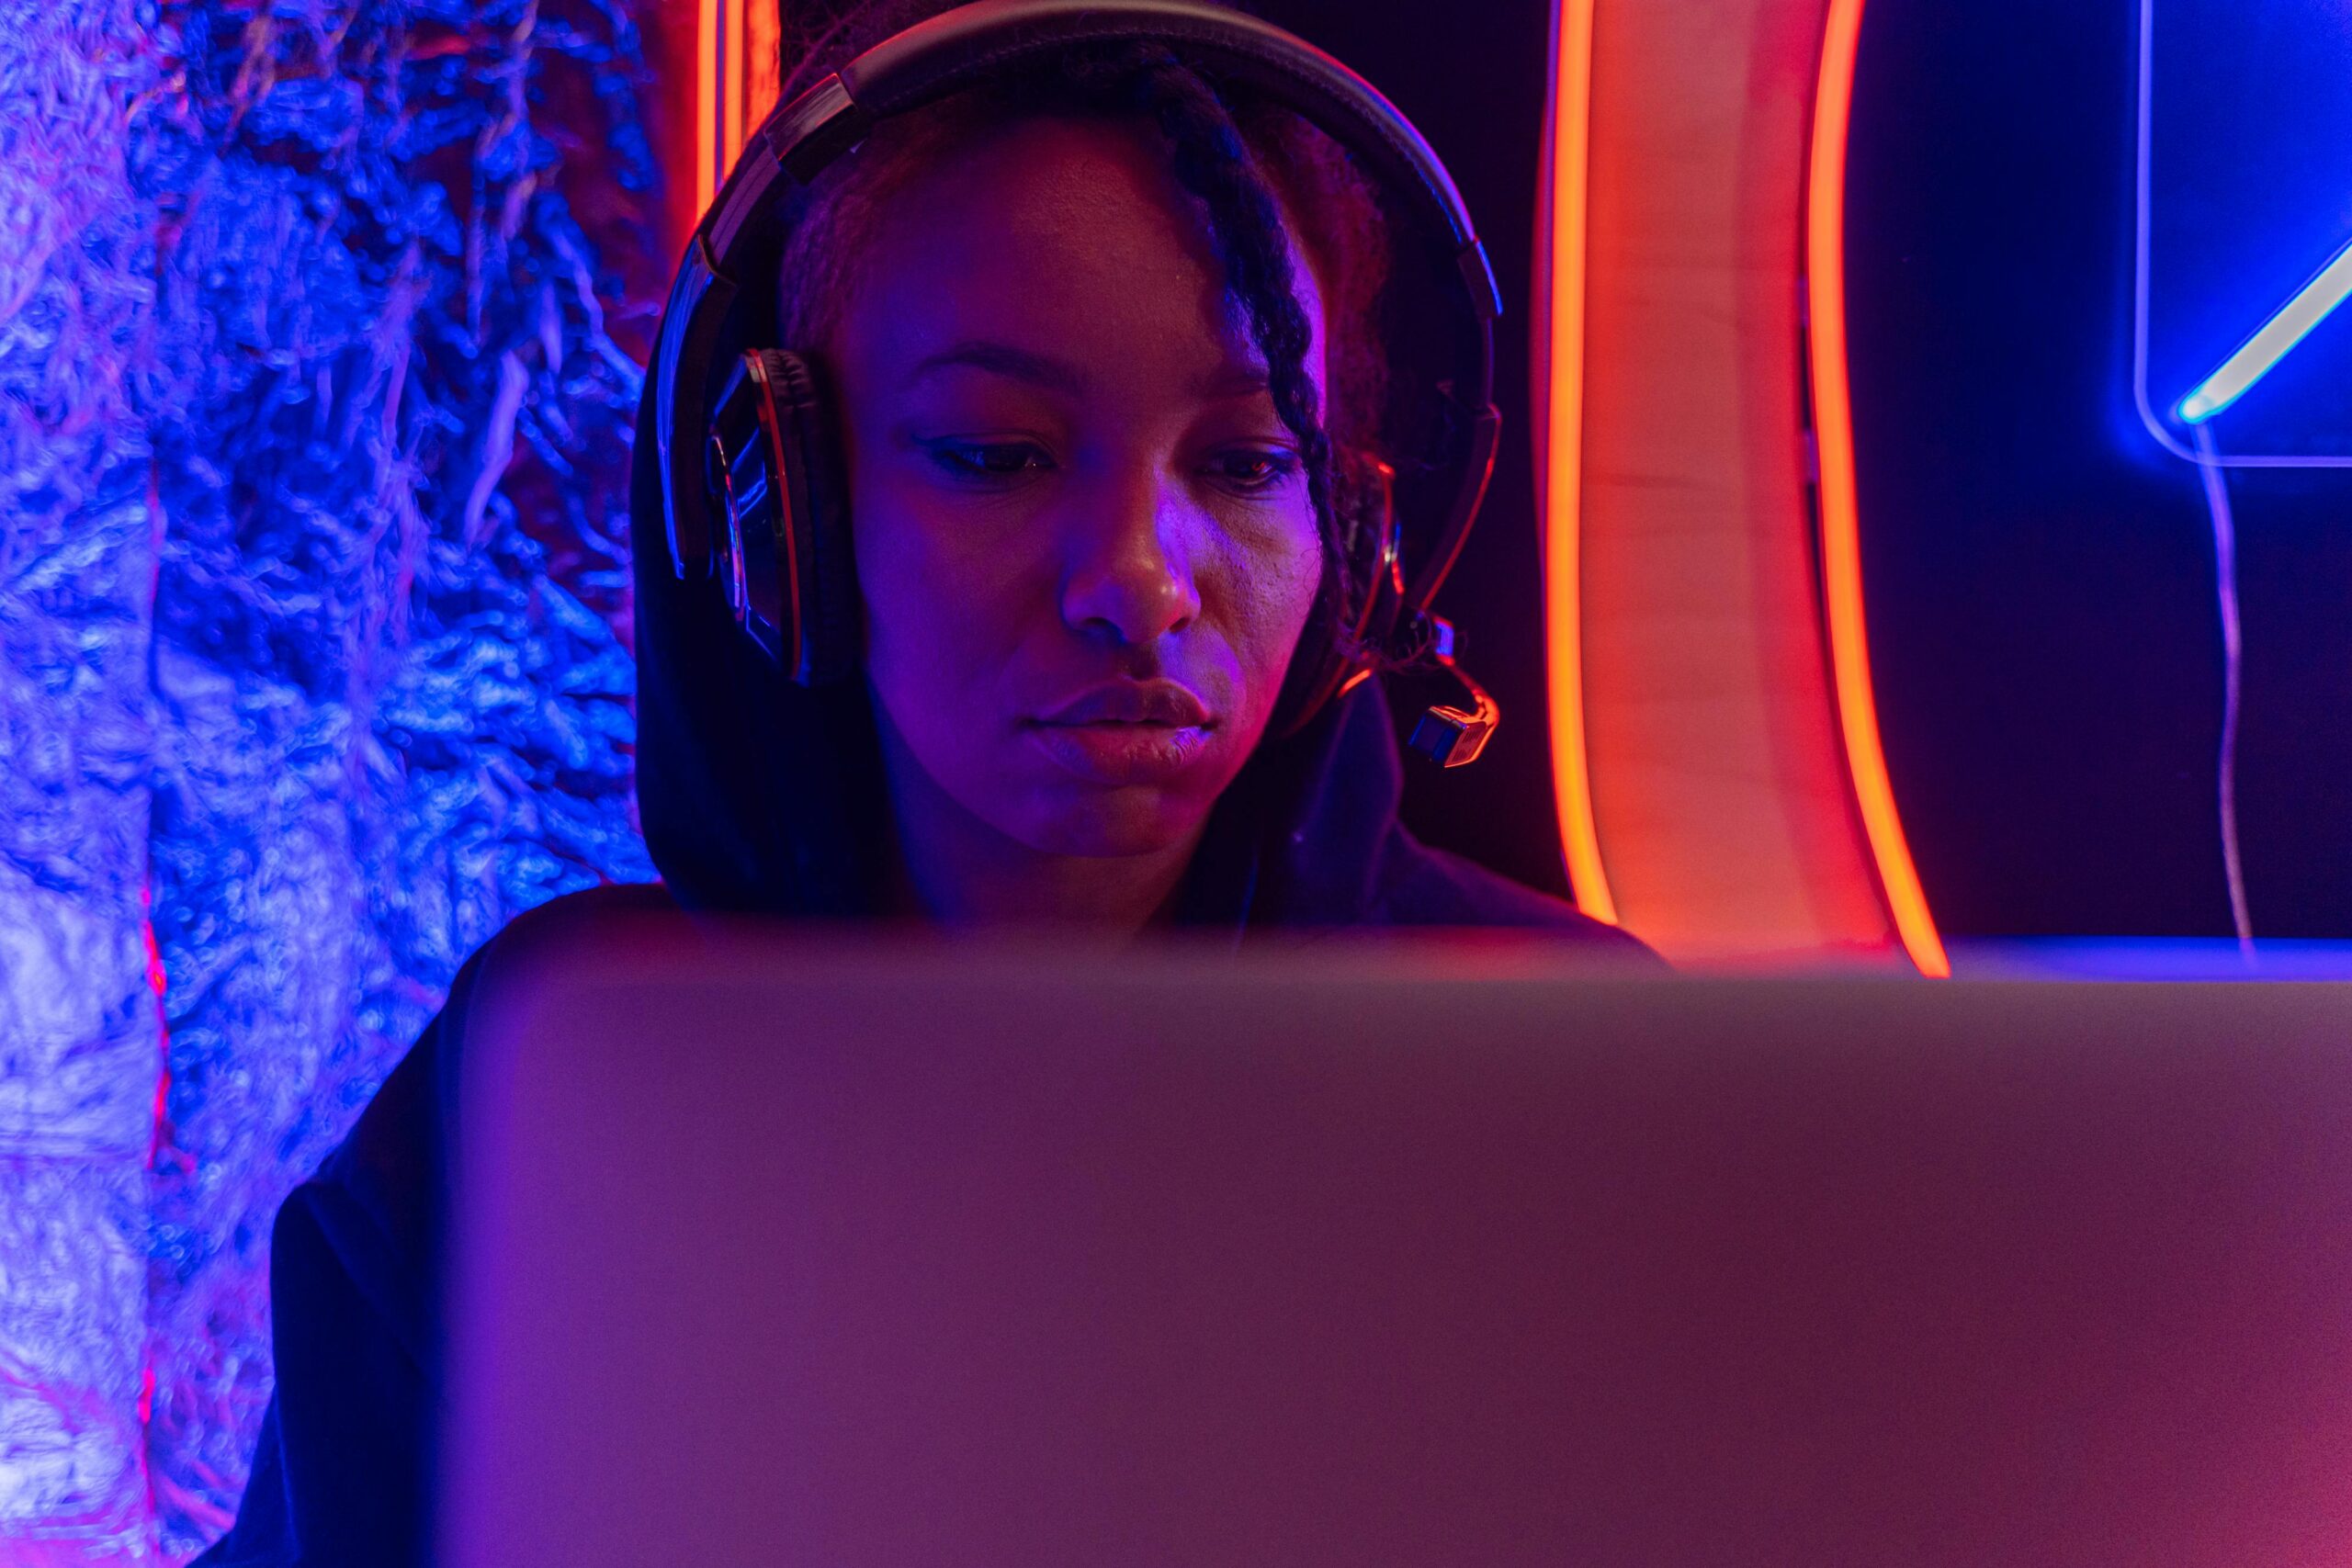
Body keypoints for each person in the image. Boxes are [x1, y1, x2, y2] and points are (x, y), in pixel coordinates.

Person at [196, 2, 1657, 1562]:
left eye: (1240, 463)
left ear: (1354, 539)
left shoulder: (1576, 1080)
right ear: (787, 511)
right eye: (998, 454)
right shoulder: (557, 1085)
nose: (1140, 584)